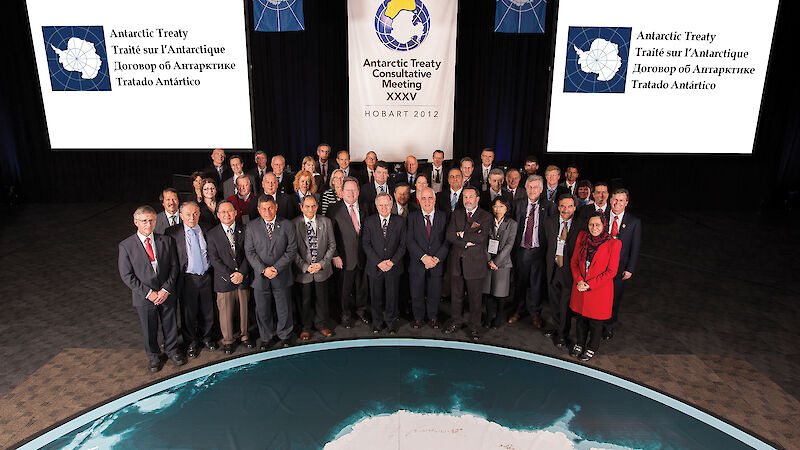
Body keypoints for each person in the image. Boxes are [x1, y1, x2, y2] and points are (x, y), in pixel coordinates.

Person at [118, 205, 185, 372]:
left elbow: (174, 267)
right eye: (144, 221)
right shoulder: (126, 246)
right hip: (144, 296)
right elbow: (127, 275)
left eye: (151, 220)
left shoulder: (166, 240)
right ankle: (154, 356)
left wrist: (165, 289)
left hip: (165, 292)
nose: (148, 224)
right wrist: (149, 293)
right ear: (136, 222)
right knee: (149, 327)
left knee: (170, 323)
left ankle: (172, 350)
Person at [244, 194, 297, 349]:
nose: (267, 212)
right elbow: (250, 252)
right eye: (264, 209)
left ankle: (285, 335)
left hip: (281, 274)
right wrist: (263, 269)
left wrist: (276, 268)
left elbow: (292, 249)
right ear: (258, 210)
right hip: (261, 277)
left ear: (276, 207)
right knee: (262, 309)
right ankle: (266, 337)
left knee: (284, 308)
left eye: (270, 208)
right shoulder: (251, 227)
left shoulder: (287, 225)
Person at [166, 202, 217, 358]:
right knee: (189, 312)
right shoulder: (172, 233)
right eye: (188, 214)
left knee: (208, 310)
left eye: (195, 213)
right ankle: (191, 342)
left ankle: (207, 337)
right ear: (181, 216)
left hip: (206, 275)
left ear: (199, 214)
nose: (192, 217)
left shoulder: (208, 229)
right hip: (187, 278)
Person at [569, 212, 622, 361]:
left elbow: (611, 271)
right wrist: (579, 280)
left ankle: (591, 347)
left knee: (596, 323)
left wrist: (589, 285)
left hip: (599, 290)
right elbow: (574, 262)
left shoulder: (614, 243)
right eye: (591, 224)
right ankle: (579, 343)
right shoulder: (582, 237)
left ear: (604, 225)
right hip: (580, 286)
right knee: (580, 319)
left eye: (597, 224)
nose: (594, 227)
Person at [206, 200, 254, 354]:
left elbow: (249, 254)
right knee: (225, 312)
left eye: (230, 211)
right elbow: (214, 259)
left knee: (244, 310)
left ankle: (244, 336)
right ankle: (228, 340)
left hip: (243, 278)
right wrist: (230, 275)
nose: (227, 215)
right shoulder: (212, 234)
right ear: (218, 215)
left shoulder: (245, 230)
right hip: (224, 280)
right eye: (223, 212)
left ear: (235, 213)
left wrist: (242, 273)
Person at [445, 186, 492, 341]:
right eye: (465, 197)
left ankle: (474, 327)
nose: (468, 200)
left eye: (471, 196)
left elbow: (481, 238)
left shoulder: (485, 216)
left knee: (475, 298)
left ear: (477, 198)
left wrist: (462, 234)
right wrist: (467, 241)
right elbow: (450, 235)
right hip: (457, 263)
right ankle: (456, 321)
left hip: (475, 264)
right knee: (456, 296)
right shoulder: (456, 214)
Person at [509, 175, 555, 328]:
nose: (532, 190)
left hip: (539, 252)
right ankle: (518, 311)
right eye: (529, 187)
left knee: (536, 286)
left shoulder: (549, 207)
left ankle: (535, 313)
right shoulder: (518, 204)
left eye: (536, 187)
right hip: (521, 250)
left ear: (541, 189)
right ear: (526, 188)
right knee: (520, 283)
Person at [327, 177, 370, 327]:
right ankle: (345, 315)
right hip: (344, 257)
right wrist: (335, 255)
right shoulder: (333, 209)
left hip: (364, 256)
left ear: (358, 192)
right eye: (347, 190)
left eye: (353, 190)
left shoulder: (365, 207)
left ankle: (361, 311)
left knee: (362, 287)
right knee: (344, 289)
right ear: (342, 192)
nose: (350, 193)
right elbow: (329, 234)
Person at [292, 195, 336, 340]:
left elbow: (332, 245)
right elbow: (293, 250)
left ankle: (322, 325)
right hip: (304, 271)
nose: (310, 209)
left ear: (317, 206)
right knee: (304, 300)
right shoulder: (294, 224)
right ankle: (305, 327)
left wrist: (322, 264)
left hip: (321, 270)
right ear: (301, 207)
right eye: (307, 206)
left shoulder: (326, 221)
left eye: (313, 206)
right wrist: (305, 266)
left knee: (321, 299)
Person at [362, 192, 407, 334]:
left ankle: (391, 323)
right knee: (375, 298)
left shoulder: (399, 221)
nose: (384, 207)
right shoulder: (369, 221)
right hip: (375, 267)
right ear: (376, 206)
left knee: (392, 297)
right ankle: (377, 323)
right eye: (380, 205)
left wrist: (392, 262)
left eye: (386, 204)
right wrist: (378, 262)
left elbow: (402, 245)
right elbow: (366, 244)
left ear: (391, 205)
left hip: (393, 267)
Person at [406, 187, 449, 329]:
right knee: (416, 292)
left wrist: (436, 259)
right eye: (423, 198)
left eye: (430, 198)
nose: (427, 201)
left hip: (437, 263)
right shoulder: (412, 217)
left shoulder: (444, 216)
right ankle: (418, 318)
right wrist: (423, 257)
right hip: (418, 262)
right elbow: (409, 240)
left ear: (435, 199)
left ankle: (433, 317)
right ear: (419, 200)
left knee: (435, 292)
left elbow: (447, 241)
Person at [543, 194, 582, 348]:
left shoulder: (580, 225)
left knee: (565, 304)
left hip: (568, 270)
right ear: (558, 207)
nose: (566, 210)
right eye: (563, 206)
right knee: (554, 302)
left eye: (570, 206)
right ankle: (558, 327)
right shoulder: (550, 222)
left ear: (574, 207)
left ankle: (562, 335)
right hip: (553, 268)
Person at [603, 188, 641, 340]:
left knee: (614, 298)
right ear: (610, 200)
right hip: (600, 266)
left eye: (621, 200)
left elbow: (635, 247)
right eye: (615, 199)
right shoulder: (602, 217)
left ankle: (609, 326)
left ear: (626, 203)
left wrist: (630, 268)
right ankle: (595, 324)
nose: (617, 203)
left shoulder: (633, 222)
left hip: (619, 268)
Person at [483, 197, 517, 328]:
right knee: (487, 292)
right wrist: (488, 260)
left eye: (501, 206)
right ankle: (488, 316)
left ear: (507, 208)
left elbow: (509, 245)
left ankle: (498, 318)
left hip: (503, 263)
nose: (498, 209)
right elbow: (484, 241)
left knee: (500, 293)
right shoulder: (488, 221)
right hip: (487, 261)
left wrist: (496, 262)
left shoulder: (512, 224)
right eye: (495, 206)